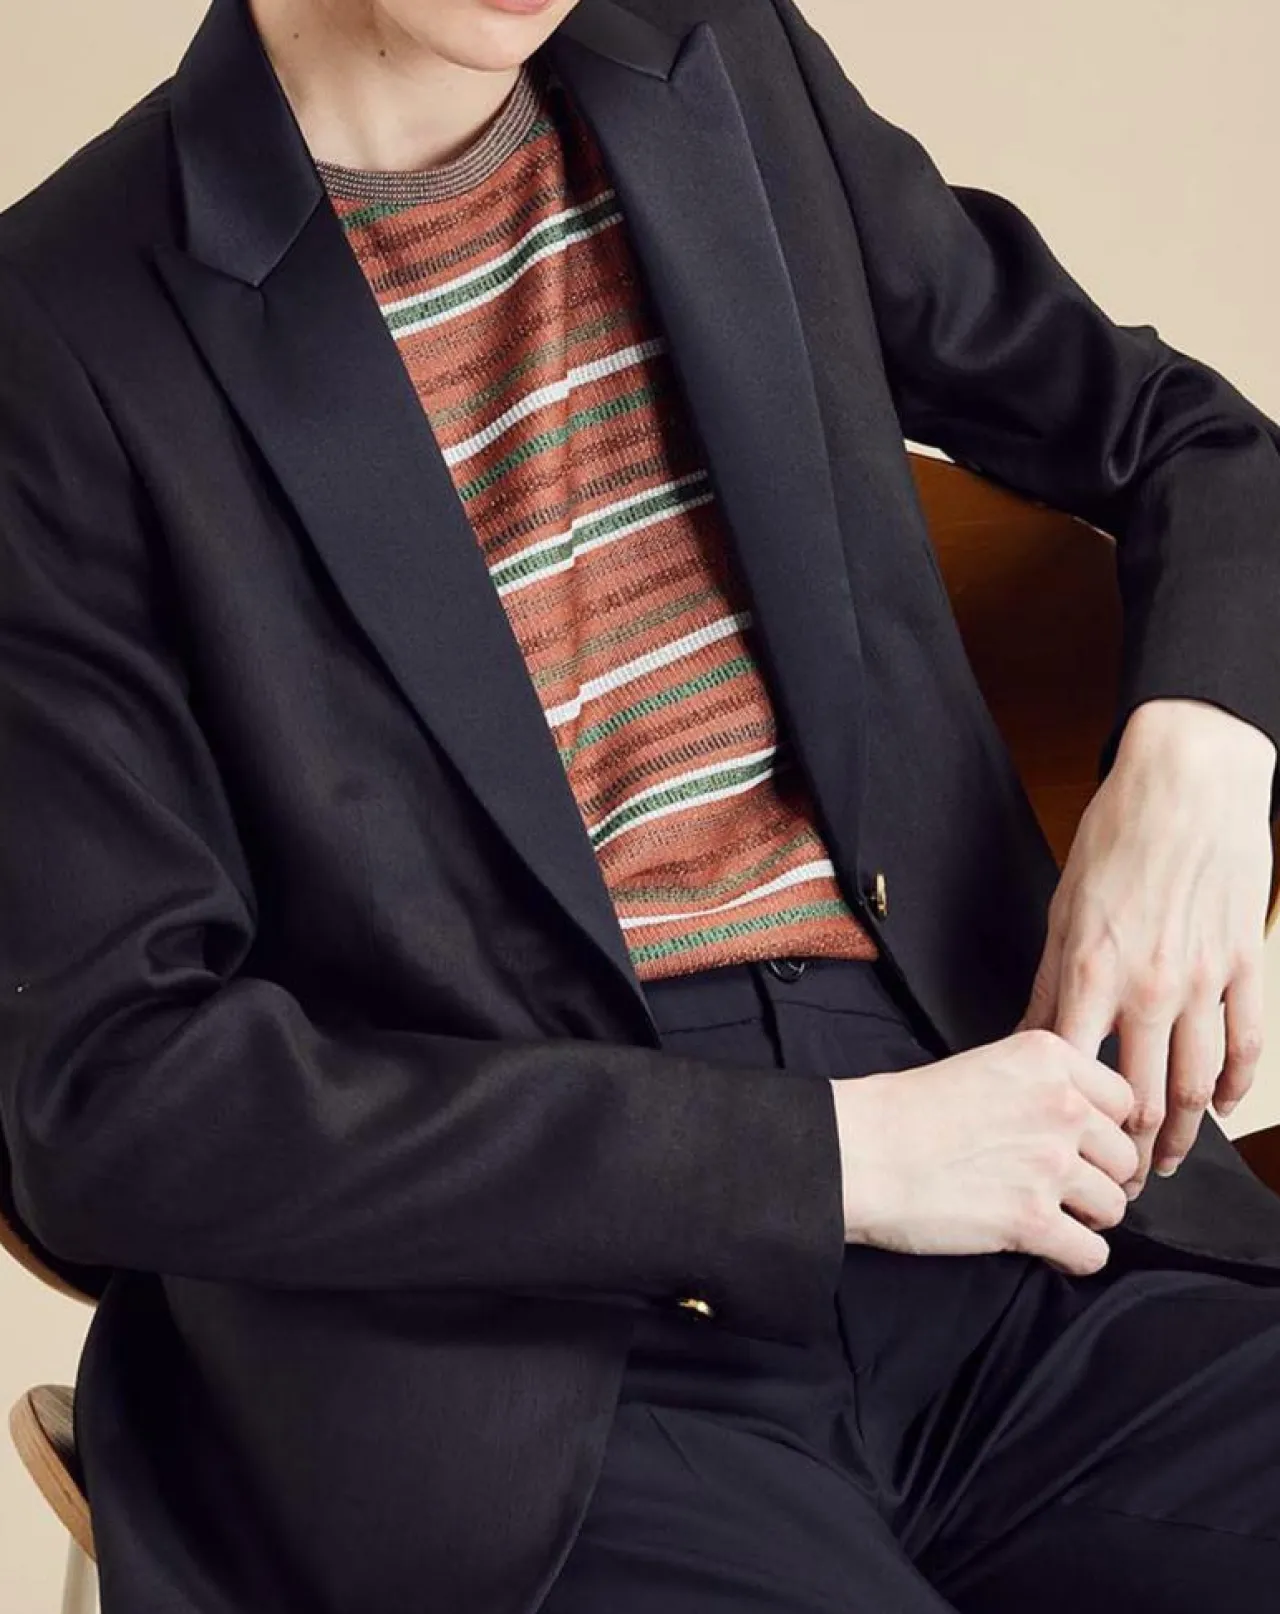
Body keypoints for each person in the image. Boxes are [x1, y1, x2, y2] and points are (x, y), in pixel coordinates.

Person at [2, 0, 1280, 1609]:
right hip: (522, 1352)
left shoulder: (713, 59)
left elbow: (1195, 444)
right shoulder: (58, 326)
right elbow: (109, 1099)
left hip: (1012, 1184)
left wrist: (1197, 764)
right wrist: (825, 1160)